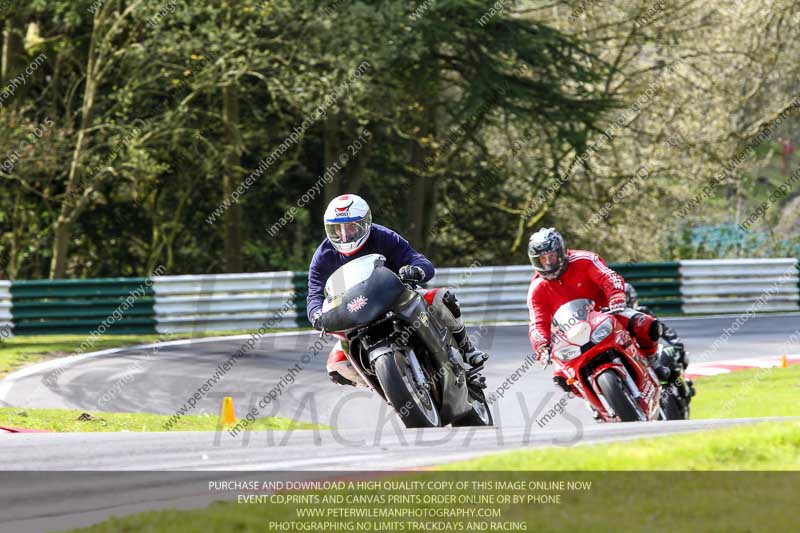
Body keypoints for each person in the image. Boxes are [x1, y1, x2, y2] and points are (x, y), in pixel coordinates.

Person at [307, 194, 489, 387]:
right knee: (336, 366)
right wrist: (316, 314)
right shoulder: (323, 255)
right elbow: (315, 292)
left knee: (441, 298)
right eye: (337, 229)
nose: (344, 235)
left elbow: (418, 260)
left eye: (351, 227)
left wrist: (416, 270)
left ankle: (466, 348)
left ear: (365, 223)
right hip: (355, 312)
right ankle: (387, 389)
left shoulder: (383, 236)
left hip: (394, 296)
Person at [526, 228, 671, 384]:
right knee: (560, 378)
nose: (547, 263)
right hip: (572, 334)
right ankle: (593, 402)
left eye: (551, 257)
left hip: (607, 314)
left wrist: (616, 296)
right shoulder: (536, 289)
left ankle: (653, 360)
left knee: (647, 325)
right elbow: (537, 322)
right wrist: (541, 345)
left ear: (560, 252)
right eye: (542, 259)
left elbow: (608, 277)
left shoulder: (584, 259)